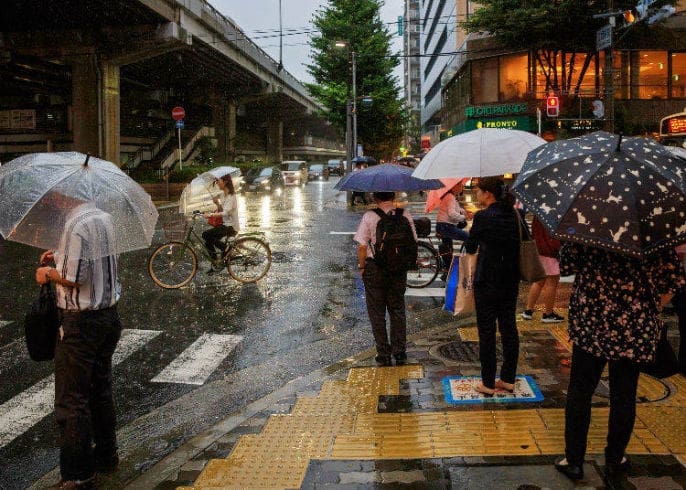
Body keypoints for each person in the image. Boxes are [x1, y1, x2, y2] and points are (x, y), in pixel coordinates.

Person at [554, 243, 684, 482]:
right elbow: (674, 281)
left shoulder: (589, 226)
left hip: (591, 323)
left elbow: (567, 265)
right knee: (624, 394)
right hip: (634, 326)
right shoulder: (652, 234)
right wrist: (651, 305)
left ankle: (574, 461)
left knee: (580, 392)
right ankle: (615, 459)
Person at [35, 201, 122, 489]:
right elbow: (96, 262)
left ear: (65, 196)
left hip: (80, 323)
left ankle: (77, 475)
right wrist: (59, 256)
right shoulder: (104, 217)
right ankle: (107, 456)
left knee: (72, 401)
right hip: (107, 317)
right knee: (99, 390)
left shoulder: (75, 225)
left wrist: (47, 273)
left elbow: (75, 278)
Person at [463, 177, 523, 395]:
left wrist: (473, 230)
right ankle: (507, 379)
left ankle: (487, 382)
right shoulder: (515, 214)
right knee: (509, 328)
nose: (477, 195)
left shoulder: (483, 217)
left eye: (478, 191)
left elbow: (470, 248)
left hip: (487, 281)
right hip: (510, 281)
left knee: (487, 332)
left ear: (488, 194)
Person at [353, 192, 418, 366]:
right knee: (397, 309)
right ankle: (400, 352)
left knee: (377, 313)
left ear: (376, 198)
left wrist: (361, 267)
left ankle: (383, 353)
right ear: (393, 195)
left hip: (376, 270)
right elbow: (414, 241)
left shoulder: (370, 216)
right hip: (398, 270)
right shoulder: (404, 214)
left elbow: (361, 246)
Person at [521, 216, 565, 323]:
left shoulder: (539, 213)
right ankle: (548, 314)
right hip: (550, 252)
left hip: (539, 250)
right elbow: (554, 238)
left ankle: (528, 311)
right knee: (551, 283)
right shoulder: (554, 214)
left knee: (539, 281)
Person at [202, 174, 239, 273]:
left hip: (231, 226)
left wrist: (210, 215)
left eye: (218, 181)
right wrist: (217, 204)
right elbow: (223, 210)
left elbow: (226, 213)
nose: (217, 183)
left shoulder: (232, 196)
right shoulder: (223, 194)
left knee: (205, 234)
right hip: (225, 224)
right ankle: (215, 264)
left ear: (225, 181)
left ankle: (226, 248)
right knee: (208, 241)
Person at [436, 180, 473, 275]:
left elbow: (458, 209)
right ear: (454, 187)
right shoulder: (450, 197)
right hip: (445, 226)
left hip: (444, 226)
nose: (462, 187)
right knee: (468, 237)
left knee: (448, 249)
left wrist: (465, 212)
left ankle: (448, 268)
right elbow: (451, 213)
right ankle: (462, 260)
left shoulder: (451, 197)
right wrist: (464, 217)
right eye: (460, 185)